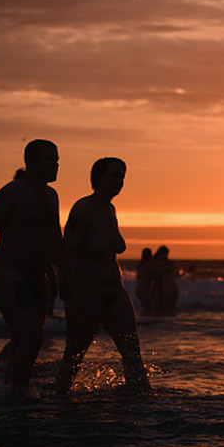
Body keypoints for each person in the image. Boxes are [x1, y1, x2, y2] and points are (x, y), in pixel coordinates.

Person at [0, 139, 64, 397]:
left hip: (39, 279)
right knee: (32, 338)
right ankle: (13, 394)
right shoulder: (11, 193)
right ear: (31, 162)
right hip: (10, 276)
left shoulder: (51, 195)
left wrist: (58, 279)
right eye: (50, 159)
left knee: (23, 340)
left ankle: (9, 393)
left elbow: (55, 241)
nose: (56, 164)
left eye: (57, 159)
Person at [56, 157, 151, 395]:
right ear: (98, 177)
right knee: (76, 352)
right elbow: (67, 250)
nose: (119, 181)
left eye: (122, 177)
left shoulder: (110, 209)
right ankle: (58, 397)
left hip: (114, 288)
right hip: (86, 289)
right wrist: (63, 281)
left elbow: (115, 244)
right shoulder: (83, 209)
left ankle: (141, 395)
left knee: (131, 348)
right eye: (114, 175)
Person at [151, 245, 179, 316]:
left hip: (165, 287)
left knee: (162, 309)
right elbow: (176, 273)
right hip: (173, 287)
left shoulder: (157, 261)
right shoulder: (169, 263)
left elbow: (156, 273)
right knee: (170, 309)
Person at [135, 248, 154, 316]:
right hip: (144, 289)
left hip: (138, 289)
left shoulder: (140, 265)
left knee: (145, 306)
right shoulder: (147, 265)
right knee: (148, 307)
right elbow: (155, 274)